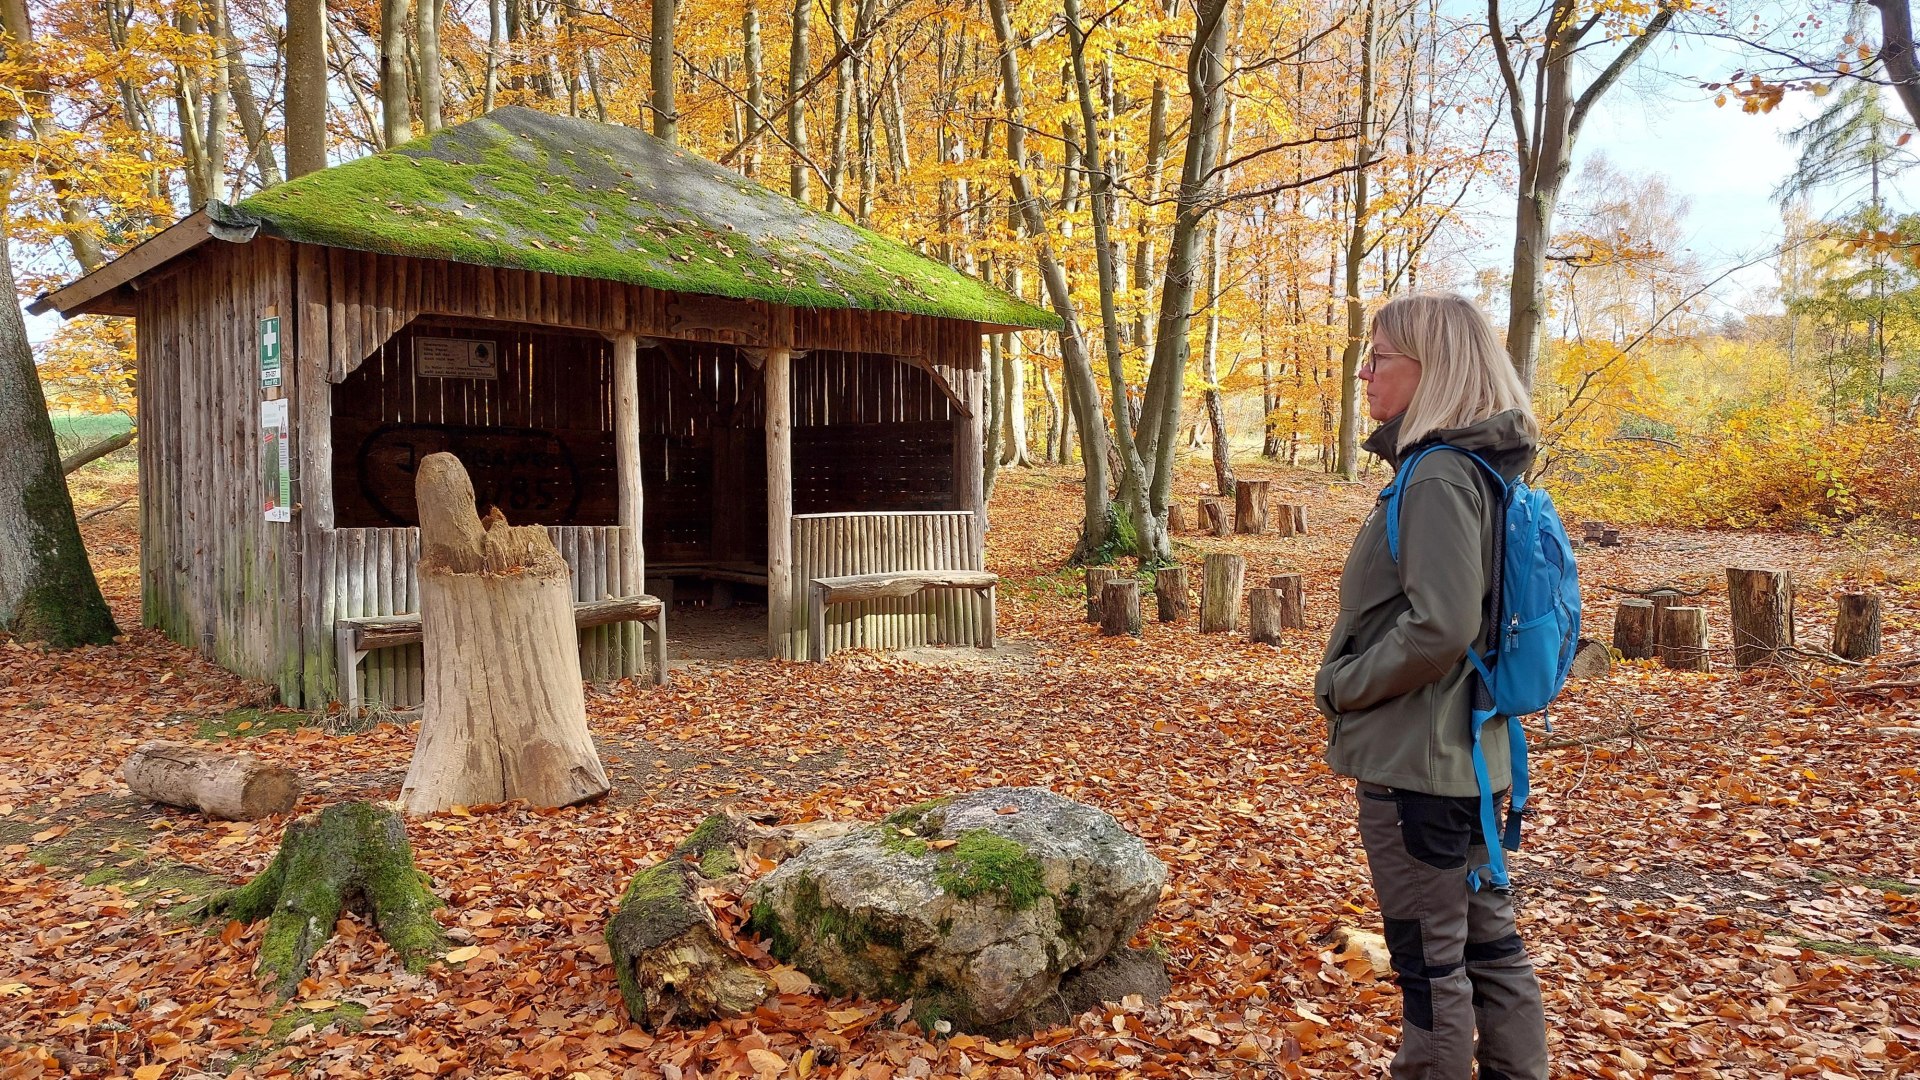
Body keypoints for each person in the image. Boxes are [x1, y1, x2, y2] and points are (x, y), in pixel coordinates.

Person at [1313, 292, 1549, 1079]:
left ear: (1432, 367)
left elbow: (1442, 625)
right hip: (1465, 758)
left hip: (1421, 765)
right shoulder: (1474, 467)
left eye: (1379, 358)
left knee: (1430, 962)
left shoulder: (1439, 475)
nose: (1364, 373)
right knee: (1486, 943)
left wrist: (1344, 684)